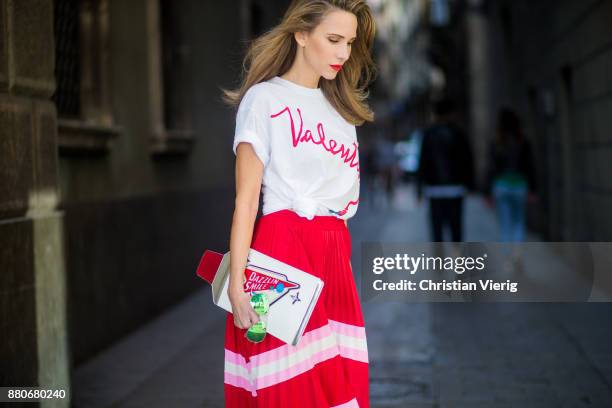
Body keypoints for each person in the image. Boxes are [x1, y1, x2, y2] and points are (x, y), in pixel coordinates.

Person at [220, 1, 376, 406]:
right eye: (334, 39)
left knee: (342, 389)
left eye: (350, 43)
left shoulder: (344, 112)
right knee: (292, 390)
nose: (343, 53)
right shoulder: (264, 100)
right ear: (301, 35)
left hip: (333, 253)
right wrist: (237, 284)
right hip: (281, 252)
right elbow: (246, 200)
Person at [416, 98, 475, 242]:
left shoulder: (428, 134)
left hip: (434, 190)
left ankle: (439, 262)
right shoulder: (459, 133)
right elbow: (467, 160)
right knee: (456, 229)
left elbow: (423, 162)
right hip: (456, 189)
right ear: (451, 113)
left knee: (437, 231)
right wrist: (470, 184)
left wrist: (419, 188)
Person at [485, 108, 537, 243]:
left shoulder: (496, 142)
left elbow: (491, 168)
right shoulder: (523, 142)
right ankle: (517, 255)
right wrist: (533, 189)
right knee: (519, 222)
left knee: (505, 225)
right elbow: (529, 167)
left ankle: (508, 258)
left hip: (501, 186)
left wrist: (487, 192)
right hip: (519, 185)